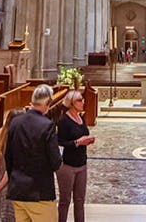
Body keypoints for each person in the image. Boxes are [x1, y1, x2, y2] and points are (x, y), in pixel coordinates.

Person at [6, 84, 62, 222]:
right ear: (48, 103)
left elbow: (8, 156)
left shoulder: (15, 122)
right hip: (39, 193)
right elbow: (55, 162)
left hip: (18, 191)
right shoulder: (47, 125)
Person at [55, 90, 95, 221]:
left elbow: (83, 134)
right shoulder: (63, 121)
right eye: (79, 100)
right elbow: (60, 142)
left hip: (82, 163)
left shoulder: (81, 117)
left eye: (82, 99)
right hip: (67, 165)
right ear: (71, 103)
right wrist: (78, 142)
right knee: (65, 200)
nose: (82, 102)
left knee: (80, 200)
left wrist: (87, 140)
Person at [0, 108, 21, 222]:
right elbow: (10, 168)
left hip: (2, 180)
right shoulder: (17, 139)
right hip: (10, 183)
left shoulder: (3, 136)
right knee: (8, 214)